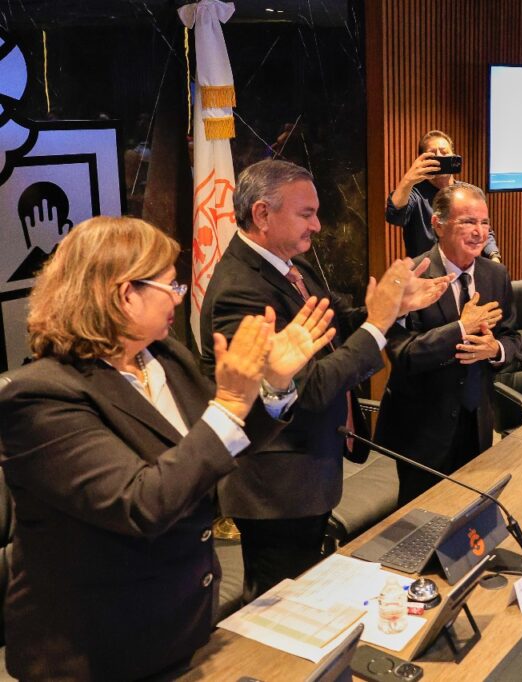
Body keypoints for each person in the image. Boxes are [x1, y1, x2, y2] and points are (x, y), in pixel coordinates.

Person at [0, 216, 335, 680]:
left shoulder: (163, 355)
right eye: (170, 285)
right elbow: (140, 504)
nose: (180, 296)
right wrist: (230, 401)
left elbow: (219, 447)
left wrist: (274, 385)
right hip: (99, 651)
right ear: (125, 294)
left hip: (182, 623)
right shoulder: (41, 396)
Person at [201, 159, 452, 601]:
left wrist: (393, 308)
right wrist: (378, 324)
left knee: (308, 599)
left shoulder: (289, 265)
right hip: (278, 489)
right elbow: (307, 389)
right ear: (262, 213)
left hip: (311, 472)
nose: (318, 226)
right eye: (307, 214)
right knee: (278, 608)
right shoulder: (240, 291)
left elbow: (335, 325)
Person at [375, 182, 521, 504]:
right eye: (467, 222)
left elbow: (512, 337)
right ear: (437, 225)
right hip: (423, 430)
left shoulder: (496, 275)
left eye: (484, 223)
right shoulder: (412, 276)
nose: (479, 232)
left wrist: (495, 350)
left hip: (477, 422)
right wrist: (460, 329)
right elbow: (403, 355)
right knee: (421, 520)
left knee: (471, 514)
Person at [386, 129, 501, 260]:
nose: (439, 157)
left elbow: (484, 229)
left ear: (453, 156)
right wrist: (408, 180)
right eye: (432, 154)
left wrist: (494, 256)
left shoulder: (470, 193)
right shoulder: (414, 194)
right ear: (422, 160)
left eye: (444, 152)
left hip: (465, 268)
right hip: (427, 270)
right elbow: (394, 216)